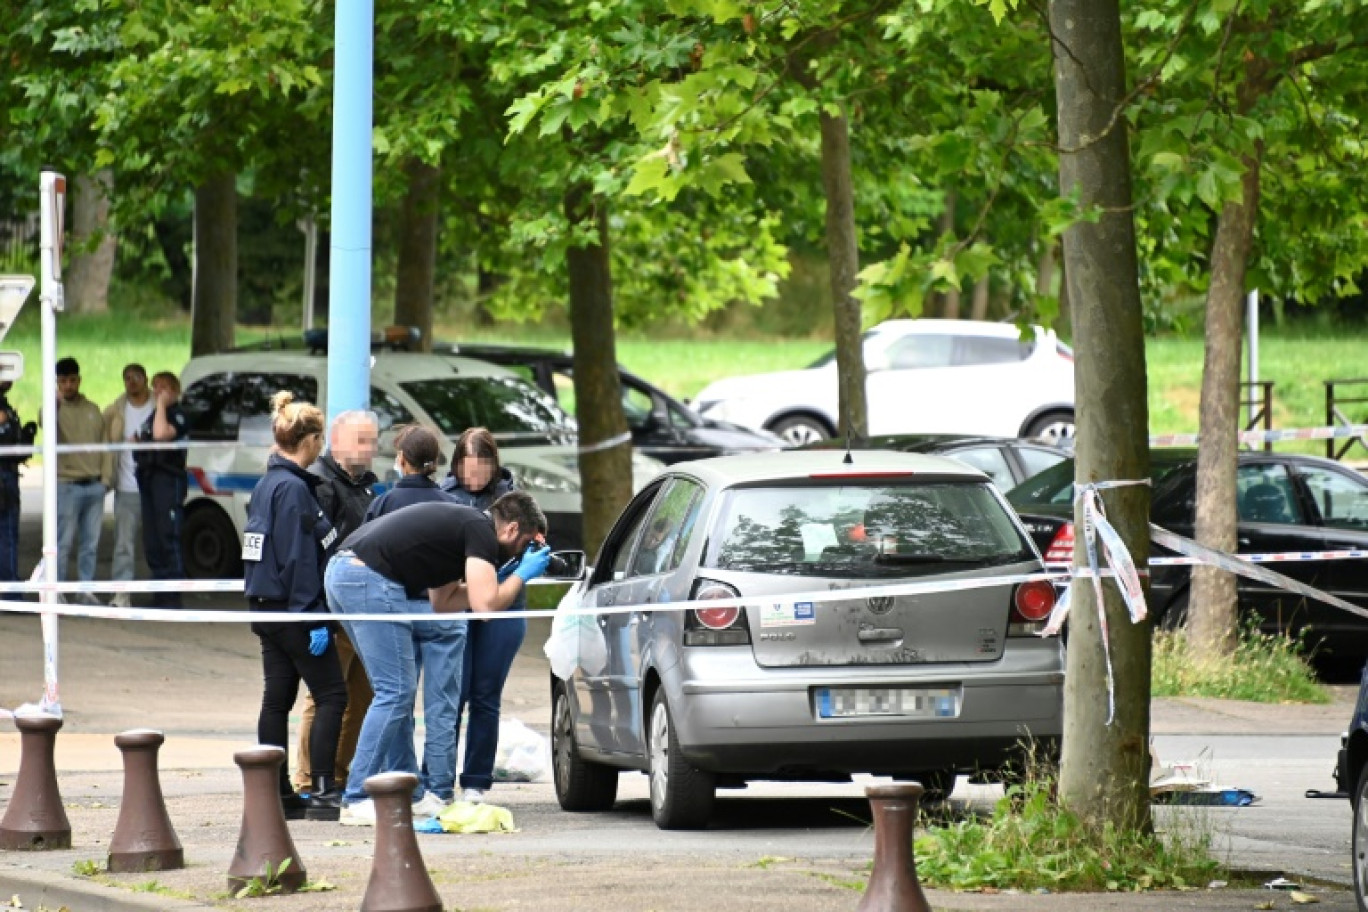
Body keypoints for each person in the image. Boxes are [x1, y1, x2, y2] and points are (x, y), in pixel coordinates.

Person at [324, 492, 552, 826]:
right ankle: (357, 796)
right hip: (366, 578)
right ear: (512, 528)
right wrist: (521, 575)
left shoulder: (461, 531)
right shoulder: (481, 529)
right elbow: (487, 608)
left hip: (345, 573)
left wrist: (503, 577)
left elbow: (445, 602)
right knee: (396, 691)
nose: (522, 554)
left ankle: (411, 796)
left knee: (391, 693)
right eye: (526, 545)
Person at [243, 391, 347, 821]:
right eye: (320, 438)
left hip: (267, 608)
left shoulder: (267, 484)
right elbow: (299, 557)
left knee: (277, 698)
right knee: (331, 694)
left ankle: (277, 793)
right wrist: (316, 617)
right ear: (308, 440)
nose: (321, 446)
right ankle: (323, 790)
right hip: (293, 611)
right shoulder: (293, 491)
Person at [365, 425, 463, 814]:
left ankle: (403, 784)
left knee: (397, 700)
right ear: (435, 462)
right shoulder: (454, 505)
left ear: (402, 461)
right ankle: (440, 789)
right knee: (443, 704)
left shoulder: (383, 504)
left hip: (398, 610)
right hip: (445, 611)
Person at [292, 410, 379, 795]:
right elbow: (313, 552)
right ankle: (309, 779)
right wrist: (317, 613)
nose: (370, 449)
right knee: (323, 696)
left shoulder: (368, 488)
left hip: (365, 611)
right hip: (332, 609)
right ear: (337, 440)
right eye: (361, 440)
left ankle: (341, 775)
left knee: (363, 696)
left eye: (373, 441)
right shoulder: (322, 486)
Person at [441, 427, 527, 804]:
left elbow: (532, 542)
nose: (473, 477)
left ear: (494, 465)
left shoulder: (513, 501)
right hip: (457, 602)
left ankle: (476, 780)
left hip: (502, 606)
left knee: (486, 694)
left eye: (481, 468)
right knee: (451, 695)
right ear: (456, 464)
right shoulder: (443, 497)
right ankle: (439, 779)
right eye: (467, 468)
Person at [133, 372, 190, 609]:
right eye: (155, 387)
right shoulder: (154, 415)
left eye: (163, 387)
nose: (158, 392)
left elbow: (159, 436)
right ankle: (159, 589)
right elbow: (138, 439)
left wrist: (161, 405)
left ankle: (173, 593)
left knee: (168, 535)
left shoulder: (177, 415)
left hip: (169, 480)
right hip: (149, 479)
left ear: (175, 390)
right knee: (152, 538)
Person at [101, 364, 154, 608]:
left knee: (159, 543)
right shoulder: (115, 409)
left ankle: (166, 594)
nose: (131, 382)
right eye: (127, 378)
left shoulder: (158, 406)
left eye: (136, 377)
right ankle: (121, 596)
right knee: (123, 545)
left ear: (146, 379)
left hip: (155, 487)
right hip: (125, 487)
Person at [53, 357, 105, 604]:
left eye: (72, 380)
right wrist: (55, 403)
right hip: (67, 485)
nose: (68, 385)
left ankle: (85, 589)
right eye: (63, 381)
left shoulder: (93, 409)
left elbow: (105, 445)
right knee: (62, 543)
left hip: (94, 485)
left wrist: (106, 480)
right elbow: (46, 422)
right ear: (57, 383)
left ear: (79, 380)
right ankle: (57, 590)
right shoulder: (54, 409)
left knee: (90, 544)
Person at [0, 381, 35, 583]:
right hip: (4, 477)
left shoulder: (7, 408)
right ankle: (10, 589)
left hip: (8, 474)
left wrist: (26, 437)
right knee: (7, 534)